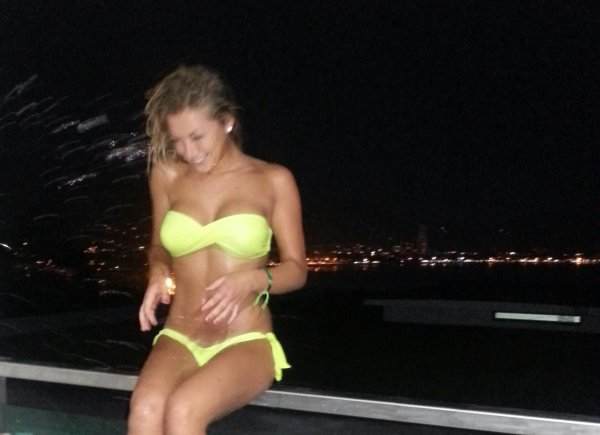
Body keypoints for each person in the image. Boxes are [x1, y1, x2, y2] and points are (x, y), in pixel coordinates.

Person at [128, 65, 307, 435]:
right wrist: (157, 270)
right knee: (145, 409)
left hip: (244, 337)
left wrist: (252, 280)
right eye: (178, 140)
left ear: (226, 122)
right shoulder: (166, 175)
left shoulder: (273, 180)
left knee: (184, 410)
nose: (188, 152)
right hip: (180, 333)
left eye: (197, 137)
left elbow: (296, 270)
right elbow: (158, 245)